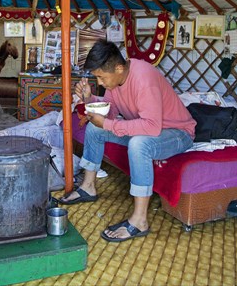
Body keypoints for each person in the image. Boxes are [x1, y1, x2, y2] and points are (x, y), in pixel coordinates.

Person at [59, 39, 196, 242]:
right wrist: (90, 99)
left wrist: (107, 124)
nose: (101, 83)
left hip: (177, 133)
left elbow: (151, 127)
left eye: (101, 78)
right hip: (150, 129)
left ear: (119, 68)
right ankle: (88, 186)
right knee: (95, 130)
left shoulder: (143, 79)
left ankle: (140, 220)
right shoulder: (116, 79)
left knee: (138, 144)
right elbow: (112, 111)